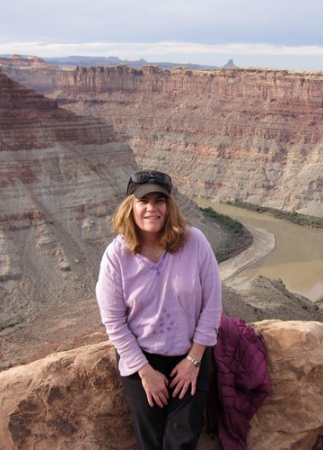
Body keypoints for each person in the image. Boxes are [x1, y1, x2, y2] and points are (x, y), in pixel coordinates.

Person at [95, 170, 222, 450]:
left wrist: (194, 361)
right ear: (131, 206)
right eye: (144, 201)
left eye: (159, 200)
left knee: (181, 441)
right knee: (150, 442)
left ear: (169, 206)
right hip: (141, 358)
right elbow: (114, 322)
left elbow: (212, 306)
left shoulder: (196, 242)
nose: (152, 208)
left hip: (191, 355)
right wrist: (144, 371)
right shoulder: (116, 256)